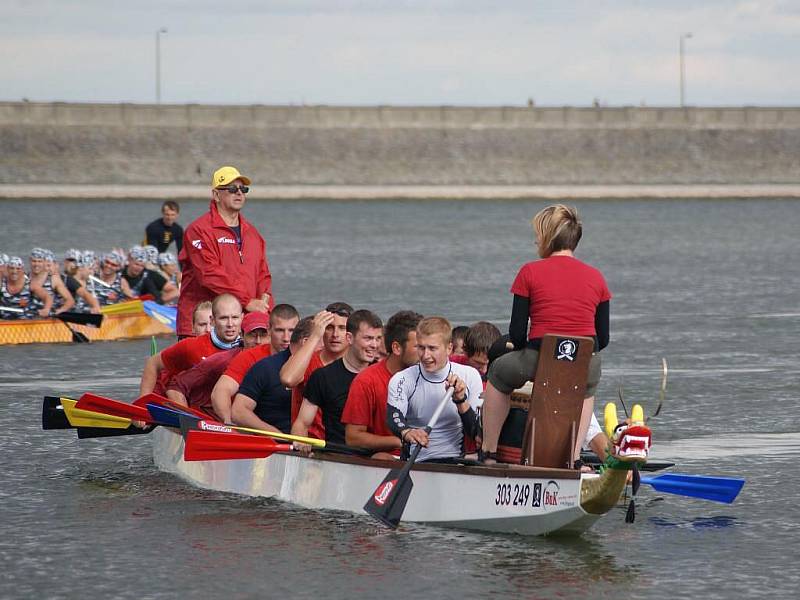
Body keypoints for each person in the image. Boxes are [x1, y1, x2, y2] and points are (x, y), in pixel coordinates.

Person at [479, 204, 611, 464]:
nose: (535, 240)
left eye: (538, 235)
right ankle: (573, 458)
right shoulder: (597, 277)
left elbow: (517, 333)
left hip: (539, 355)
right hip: (585, 359)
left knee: (497, 376)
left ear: (548, 238)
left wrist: (517, 348)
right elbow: (603, 338)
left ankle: (489, 451)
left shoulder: (529, 271)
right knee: (586, 390)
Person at [176, 166, 273, 338]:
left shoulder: (252, 233)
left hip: (238, 325)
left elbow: (263, 276)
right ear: (216, 195)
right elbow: (209, 275)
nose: (239, 193)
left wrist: (265, 310)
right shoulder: (198, 230)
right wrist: (247, 302)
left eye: (243, 189)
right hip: (202, 326)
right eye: (232, 189)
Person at [386, 316, 483, 463]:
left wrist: (460, 400)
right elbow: (394, 416)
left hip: (455, 461)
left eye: (432, 348)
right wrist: (406, 432)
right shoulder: (402, 380)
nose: (425, 356)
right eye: (421, 347)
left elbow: (475, 432)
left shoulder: (470, 376)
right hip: (416, 462)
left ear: (449, 348)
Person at [291, 309, 383, 452]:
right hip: (337, 457)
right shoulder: (322, 377)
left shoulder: (384, 376)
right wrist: (300, 444)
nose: (374, 345)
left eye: (378, 339)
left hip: (376, 458)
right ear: (350, 338)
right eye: (368, 338)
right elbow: (302, 423)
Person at [342, 310, 423, 459]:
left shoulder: (434, 376)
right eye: (419, 347)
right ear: (397, 348)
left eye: (429, 347)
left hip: (428, 456)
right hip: (390, 458)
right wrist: (398, 440)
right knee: (380, 457)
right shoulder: (366, 381)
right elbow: (353, 438)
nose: (426, 354)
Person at [165, 311, 272, 419]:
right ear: (242, 336)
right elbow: (176, 386)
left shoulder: (281, 362)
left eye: (263, 335)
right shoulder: (221, 361)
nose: (258, 341)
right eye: (252, 335)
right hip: (211, 420)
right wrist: (188, 419)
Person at [210, 303, 300, 423]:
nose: (286, 338)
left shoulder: (308, 354)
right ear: (269, 330)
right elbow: (221, 391)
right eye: (279, 330)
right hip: (258, 427)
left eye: (291, 331)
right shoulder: (249, 356)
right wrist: (228, 423)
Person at [139, 293, 243, 395]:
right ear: (214, 321)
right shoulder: (189, 346)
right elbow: (153, 364)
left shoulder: (249, 346)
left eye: (234, 317)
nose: (230, 324)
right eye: (223, 318)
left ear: (242, 318)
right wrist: (143, 401)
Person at [280, 302, 353, 440]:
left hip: (344, 444)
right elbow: (288, 379)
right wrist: (314, 335)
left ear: (350, 334)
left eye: (342, 328)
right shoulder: (307, 359)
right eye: (329, 328)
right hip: (310, 444)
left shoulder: (359, 365)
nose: (335, 334)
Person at [231, 316, 314, 433]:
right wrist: (275, 434)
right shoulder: (265, 368)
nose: (286, 338)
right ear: (306, 342)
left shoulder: (324, 369)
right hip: (277, 444)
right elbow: (239, 412)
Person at [29, 248, 74, 316]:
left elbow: (70, 300)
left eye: (39, 261)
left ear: (44, 262)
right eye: (34, 261)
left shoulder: (53, 278)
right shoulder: (25, 277)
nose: (36, 264)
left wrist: (61, 310)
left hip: (47, 319)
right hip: (28, 317)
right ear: (30, 261)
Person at [63, 250, 101, 314]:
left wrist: (97, 308)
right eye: (90, 269)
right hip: (71, 316)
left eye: (93, 269)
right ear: (81, 268)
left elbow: (94, 299)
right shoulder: (68, 280)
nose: (92, 272)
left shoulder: (90, 281)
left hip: (87, 315)